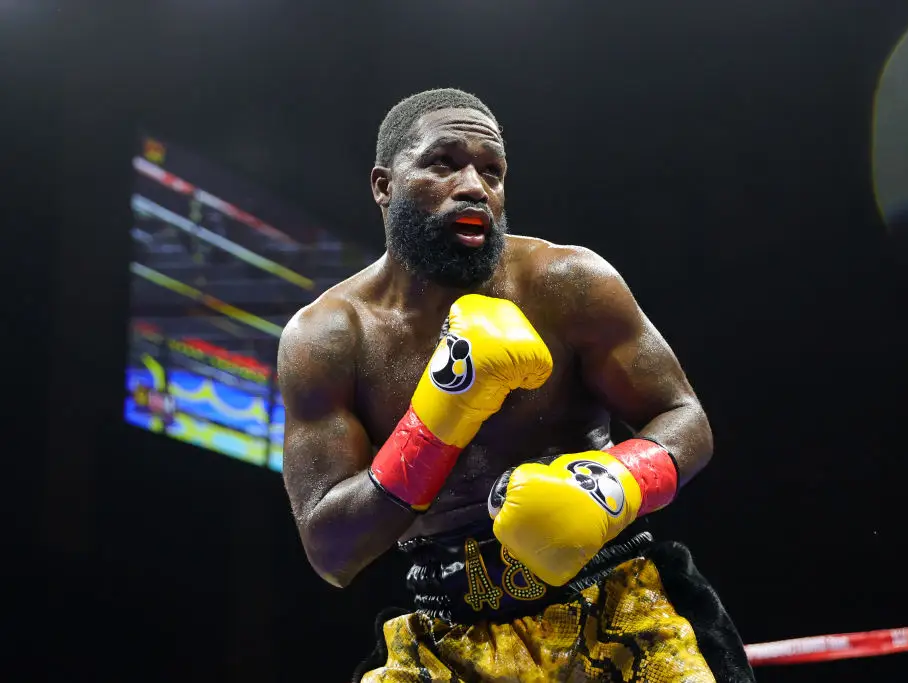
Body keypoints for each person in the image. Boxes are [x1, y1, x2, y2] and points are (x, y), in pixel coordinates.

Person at [278, 88, 755, 682]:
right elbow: (332, 552)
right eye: (444, 163)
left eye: (492, 171)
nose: (475, 186)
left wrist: (612, 481)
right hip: (445, 625)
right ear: (383, 185)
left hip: (614, 596)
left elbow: (685, 417)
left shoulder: (567, 282)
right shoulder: (328, 337)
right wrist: (437, 423)